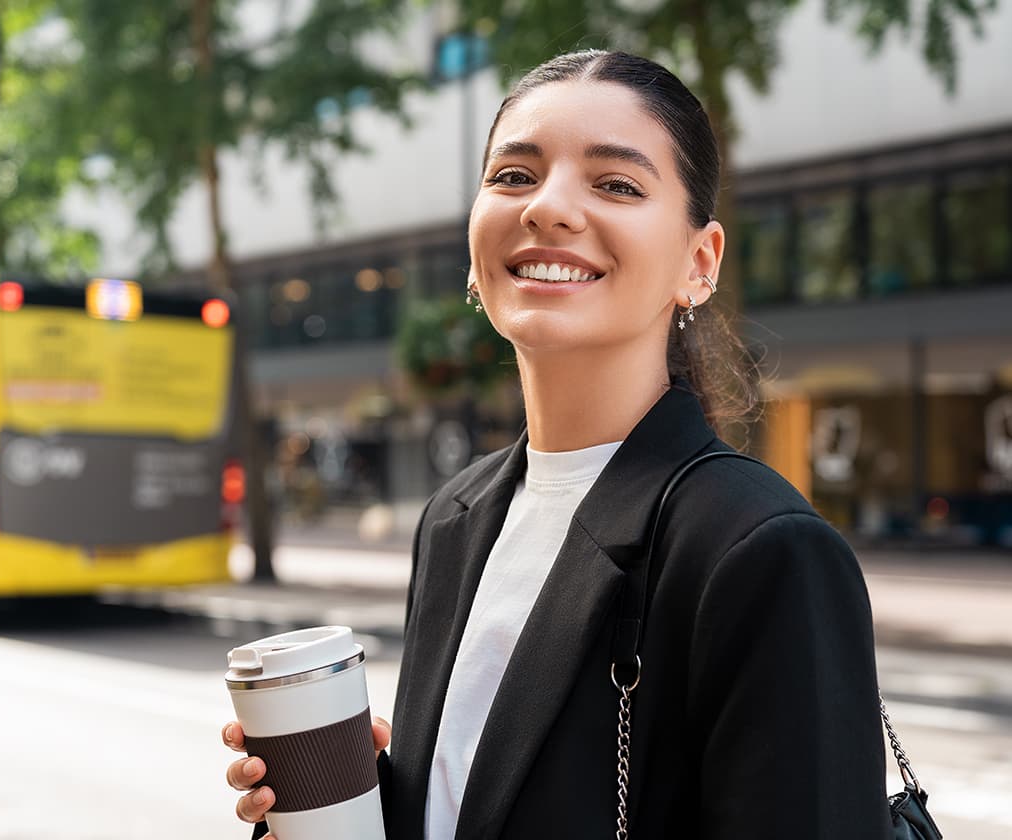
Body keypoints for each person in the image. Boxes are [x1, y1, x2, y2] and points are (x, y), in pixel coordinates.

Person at [225, 49, 889, 838]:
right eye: (514, 176)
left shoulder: (759, 550)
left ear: (699, 263)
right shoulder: (454, 517)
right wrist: (366, 805)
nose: (548, 208)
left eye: (616, 183)